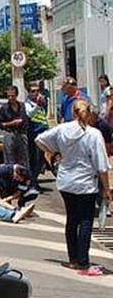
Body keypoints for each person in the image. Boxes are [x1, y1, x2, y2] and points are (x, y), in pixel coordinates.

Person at [36, 100, 111, 270]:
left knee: (72, 219)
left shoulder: (62, 129)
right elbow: (102, 166)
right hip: (85, 183)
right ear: (89, 113)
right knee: (85, 221)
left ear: (73, 113)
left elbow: (40, 139)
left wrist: (54, 152)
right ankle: (83, 260)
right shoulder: (93, 134)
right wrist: (107, 189)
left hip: (66, 181)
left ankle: (73, 259)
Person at [0, 85, 30, 166]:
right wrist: (12, 123)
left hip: (21, 135)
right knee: (10, 159)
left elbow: (25, 120)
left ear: (16, 95)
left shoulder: (22, 106)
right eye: (8, 96)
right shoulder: (4, 108)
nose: (10, 98)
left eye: (12, 96)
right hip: (10, 135)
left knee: (23, 159)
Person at [25, 82, 50, 189]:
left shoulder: (41, 102)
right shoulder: (27, 104)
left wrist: (43, 103)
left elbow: (45, 114)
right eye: (33, 91)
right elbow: (29, 114)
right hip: (34, 134)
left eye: (37, 91)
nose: (36, 93)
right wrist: (38, 106)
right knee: (34, 159)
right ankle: (32, 183)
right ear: (28, 92)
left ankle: (34, 180)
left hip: (43, 133)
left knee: (41, 159)